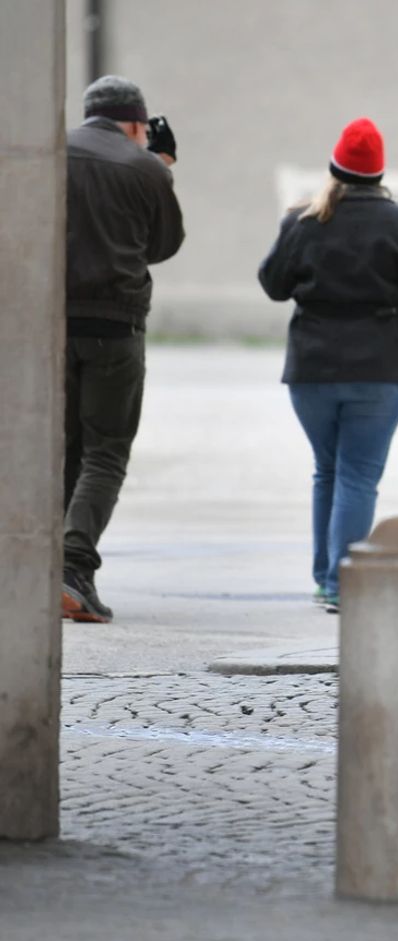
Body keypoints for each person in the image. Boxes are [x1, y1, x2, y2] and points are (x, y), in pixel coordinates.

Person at [258, 118, 398, 613]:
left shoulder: (303, 220)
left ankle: (324, 578)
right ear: (380, 175)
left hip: (311, 371)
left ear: (334, 169)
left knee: (328, 470)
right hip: (379, 372)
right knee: (357, 475)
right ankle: (341, 583)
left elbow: (273, 284)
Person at [63, 75, 185, 623]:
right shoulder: (143, 168)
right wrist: (160, 171)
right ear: (136, 124)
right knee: (105, 451)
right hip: (115, 324)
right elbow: (162, 245)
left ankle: (46, 567)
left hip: (52, 324)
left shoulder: (49, 152)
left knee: (61, 448)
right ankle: (71, 566)